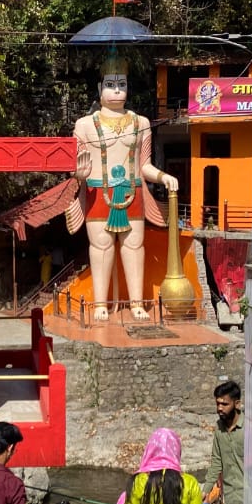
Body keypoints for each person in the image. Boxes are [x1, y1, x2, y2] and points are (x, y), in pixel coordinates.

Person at [69, 55, 177, 321]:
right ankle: (100, 304)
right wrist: (78, 175)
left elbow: (145, 165)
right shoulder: (84, 126)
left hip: (133, 192)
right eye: (110, 84)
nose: (117, 90)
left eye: (122, 84)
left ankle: (137, 303)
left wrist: (163, 176)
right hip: (98, 191)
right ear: (99, 88)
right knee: (102, 246)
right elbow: (76, 168)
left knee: (133, 246)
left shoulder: (140, 123)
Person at [203, 380, 245, 504]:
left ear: (237, 404)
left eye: (224, 404)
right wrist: (206, 490)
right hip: (231, 498)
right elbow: (216, 462)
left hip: (250, 500)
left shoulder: (248, 429)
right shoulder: (219, 429)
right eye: (217, 403)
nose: (220, 408)